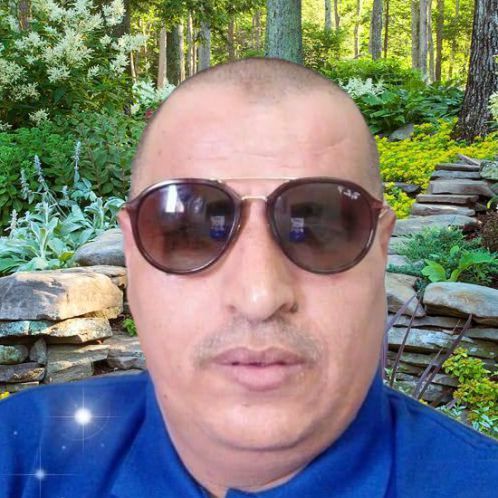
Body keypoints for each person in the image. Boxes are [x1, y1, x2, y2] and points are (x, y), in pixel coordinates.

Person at [0, 58, 497, 498]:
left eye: (319, 228)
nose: (260, 295)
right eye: (189, 229)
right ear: (132, 253)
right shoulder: (22, 451)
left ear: (380, 249)